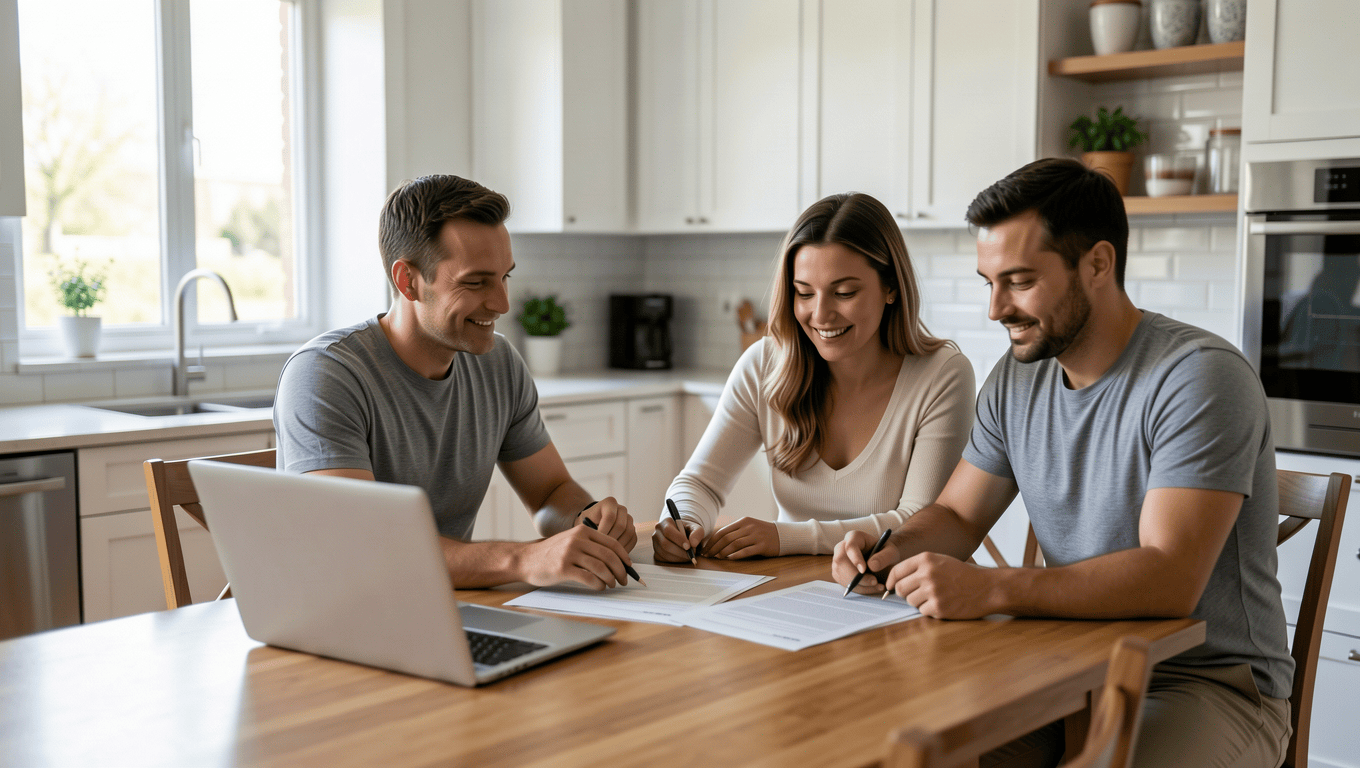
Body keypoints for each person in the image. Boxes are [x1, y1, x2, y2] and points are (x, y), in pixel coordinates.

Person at [831, 159, 1293, 768]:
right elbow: (957, 516)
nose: (996, 308)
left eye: (1019, 281)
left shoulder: (1199, 378)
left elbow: (1170, 578)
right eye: (988, 281)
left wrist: (992, 587)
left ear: (1097, 264)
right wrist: (890, 544)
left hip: (1205, 684)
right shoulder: (1016, 379)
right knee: (914, 750)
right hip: (1067, 669)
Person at [274, 174, 638, 590]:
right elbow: (363, 546)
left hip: (447, 603)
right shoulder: (325, 375)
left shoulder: (499, 364)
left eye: (505, 277)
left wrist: (586, 521)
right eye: (475, 282)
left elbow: (551, 490)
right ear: (407, 281)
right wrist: (523, 559)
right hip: (341, 613)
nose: (501, 303)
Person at [653, 192, 975, 562]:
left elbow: (919, 523)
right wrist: (683, 522)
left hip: (904, 591)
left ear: (890, 288)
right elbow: (700, 483)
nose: (820, 314)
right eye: (804, 293)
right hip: (794, 590)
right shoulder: (763, 366)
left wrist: (785, 538)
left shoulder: (942, 375)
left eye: (844, 292)